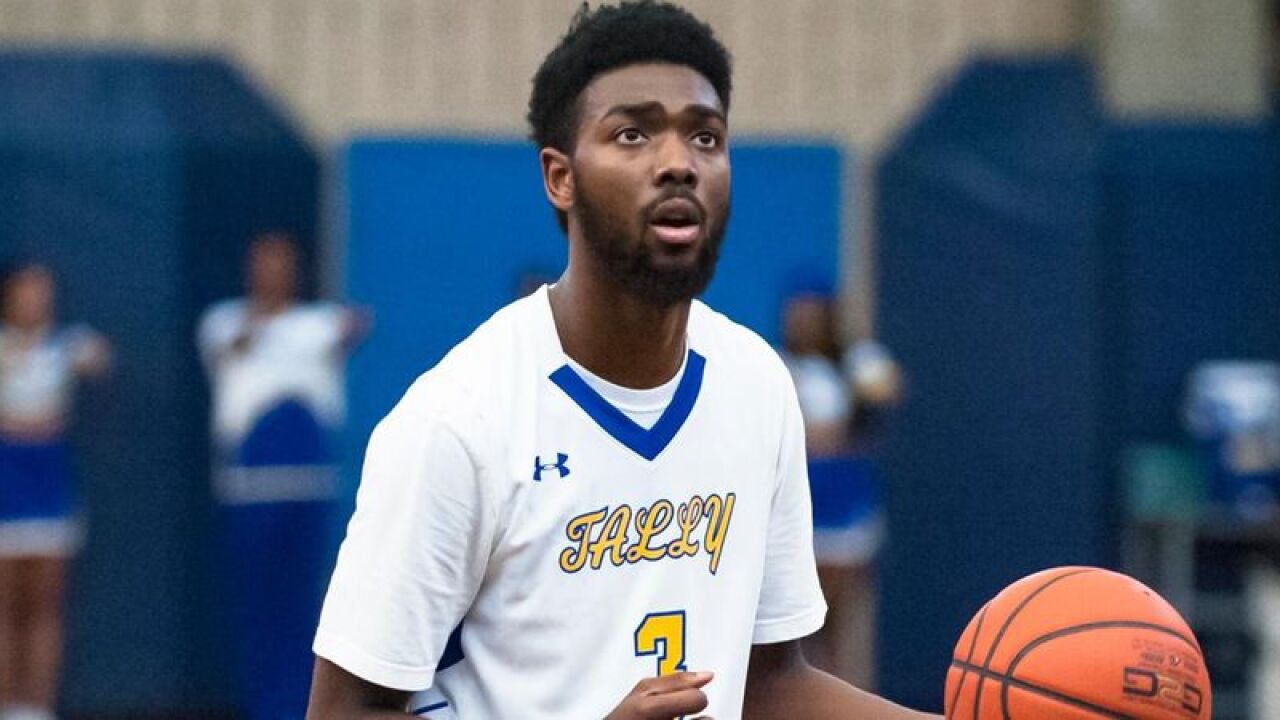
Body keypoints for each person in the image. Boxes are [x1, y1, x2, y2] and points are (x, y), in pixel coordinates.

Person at [306, 3, 937, 719]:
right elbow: (344, 710)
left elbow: (768, 684)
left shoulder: (756, 385)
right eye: (633, 133)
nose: (678, 163)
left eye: (706, 136)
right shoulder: (458, 420)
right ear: (560, 178)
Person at [199, 232, 368, 720]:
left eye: (282, 263)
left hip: (309, 485)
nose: (273, 272)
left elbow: (354, 327)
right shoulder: (222, 321)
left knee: (307, 608)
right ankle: (263, 707)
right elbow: (232, 346)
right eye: (264, 262)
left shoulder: (318, 323)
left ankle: (303, 707)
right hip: (250, 490)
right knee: (258, 606)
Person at [0, 262, 109, 720]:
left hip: (50, 487)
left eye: (43, 291)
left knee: (46, 605)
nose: (35, 299)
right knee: (6, 605)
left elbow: (100, 358)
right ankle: (7, 705)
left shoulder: (66, 345)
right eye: (26, 291)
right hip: (7, 486)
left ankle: (37, 709)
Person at [778, 288, 886, 688]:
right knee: (800, 627)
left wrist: (849, 421)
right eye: (796, 314)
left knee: (839, 621)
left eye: (812, 313)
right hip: (801, 512)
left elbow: (884, 399)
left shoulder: (857, 362)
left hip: (846, 512)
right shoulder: (778, 365)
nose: (804, 323)